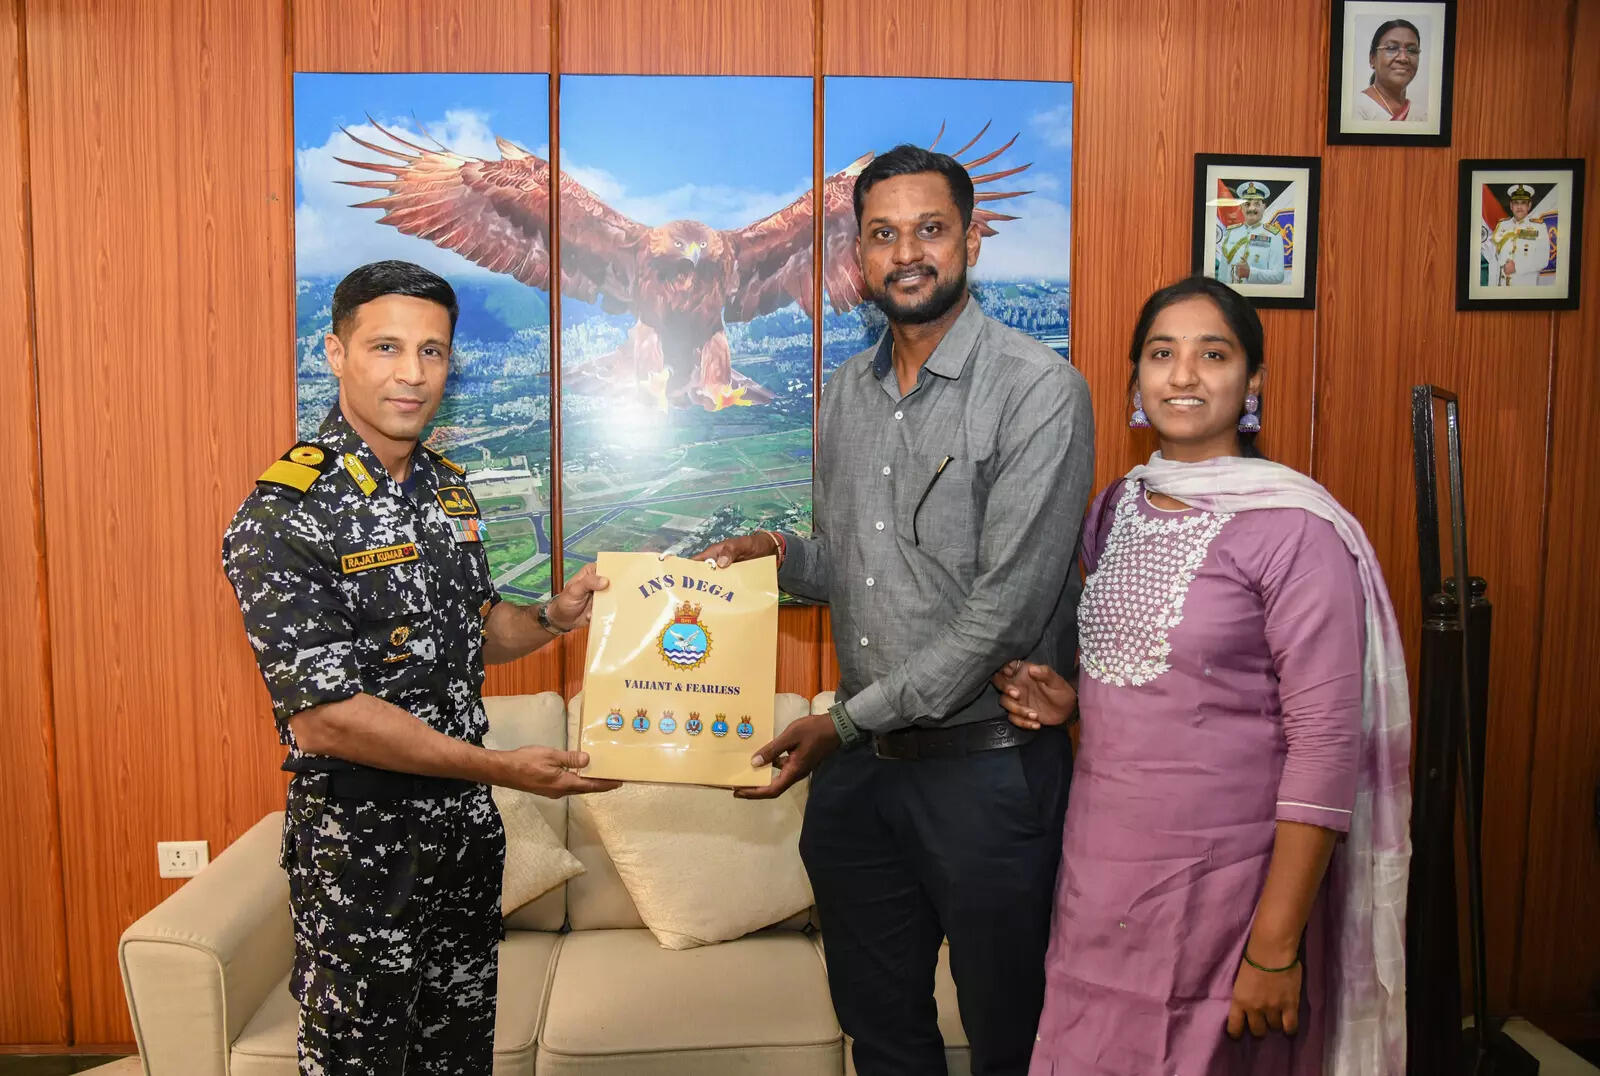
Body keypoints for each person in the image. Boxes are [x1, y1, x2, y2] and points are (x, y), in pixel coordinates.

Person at [697, 145, 1094, 1074]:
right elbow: (860, 566)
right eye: (882, 234)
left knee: (1013, 1042)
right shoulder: (847, 392)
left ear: (971, 240)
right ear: (858, 255)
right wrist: (776, 556)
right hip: (863, 784)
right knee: (881, 1038)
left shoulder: (1039, 390)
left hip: (989, 777)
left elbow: (1003, 613)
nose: (906, 253)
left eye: (930, 229)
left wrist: (842, 722)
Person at [1003, 276, 1410, 1074]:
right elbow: (1171, 683)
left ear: (1253, 381)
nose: (1183, 375)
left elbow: (1326, 746)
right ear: (1135, 380)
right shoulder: (1117, 508)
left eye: (1213, 354)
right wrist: (1076, 703)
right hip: (1100, 883)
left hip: (1229, 895)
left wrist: (1274, 947)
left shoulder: (1296, 533)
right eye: (1162, 354)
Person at [223, 260, 620, 1075]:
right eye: (387, 347)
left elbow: (474, 630)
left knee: (459, 1056)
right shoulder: (284, 514)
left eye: (432, 351)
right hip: (362, 854)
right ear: (335, 354)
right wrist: (500, 767)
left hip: (463, 841)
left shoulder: (446, 490)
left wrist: (552, 616)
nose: (412, 373)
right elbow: (326, 717)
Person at [1353, 18, 1426, 122]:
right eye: (1392, 48)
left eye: (1412, 50)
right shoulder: (1355, 109)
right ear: (1372, 58)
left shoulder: (1422, 116)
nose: (1403, 58)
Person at [1216, 181, 1286, 285]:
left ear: (1264, 207)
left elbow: (1278, 276)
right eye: (1247, 204)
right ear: (1241, 207)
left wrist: (1250, 273)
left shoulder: (1273, 235)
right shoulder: (1230, 233)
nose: (1251, 208)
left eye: (1257, 204)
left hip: (1258, 294)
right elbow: (1222, 275)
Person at [1490, 184, 1550, 286]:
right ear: (1511, 206)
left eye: (1523, 203)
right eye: (1516, 203)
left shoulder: (1539, 227)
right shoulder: (1502, 225)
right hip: (1502, 285)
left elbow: (1543, 260)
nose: (1519, 207)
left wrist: (1517, 268)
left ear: (1529, 205)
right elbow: (1493, 256)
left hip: (1525, 286)